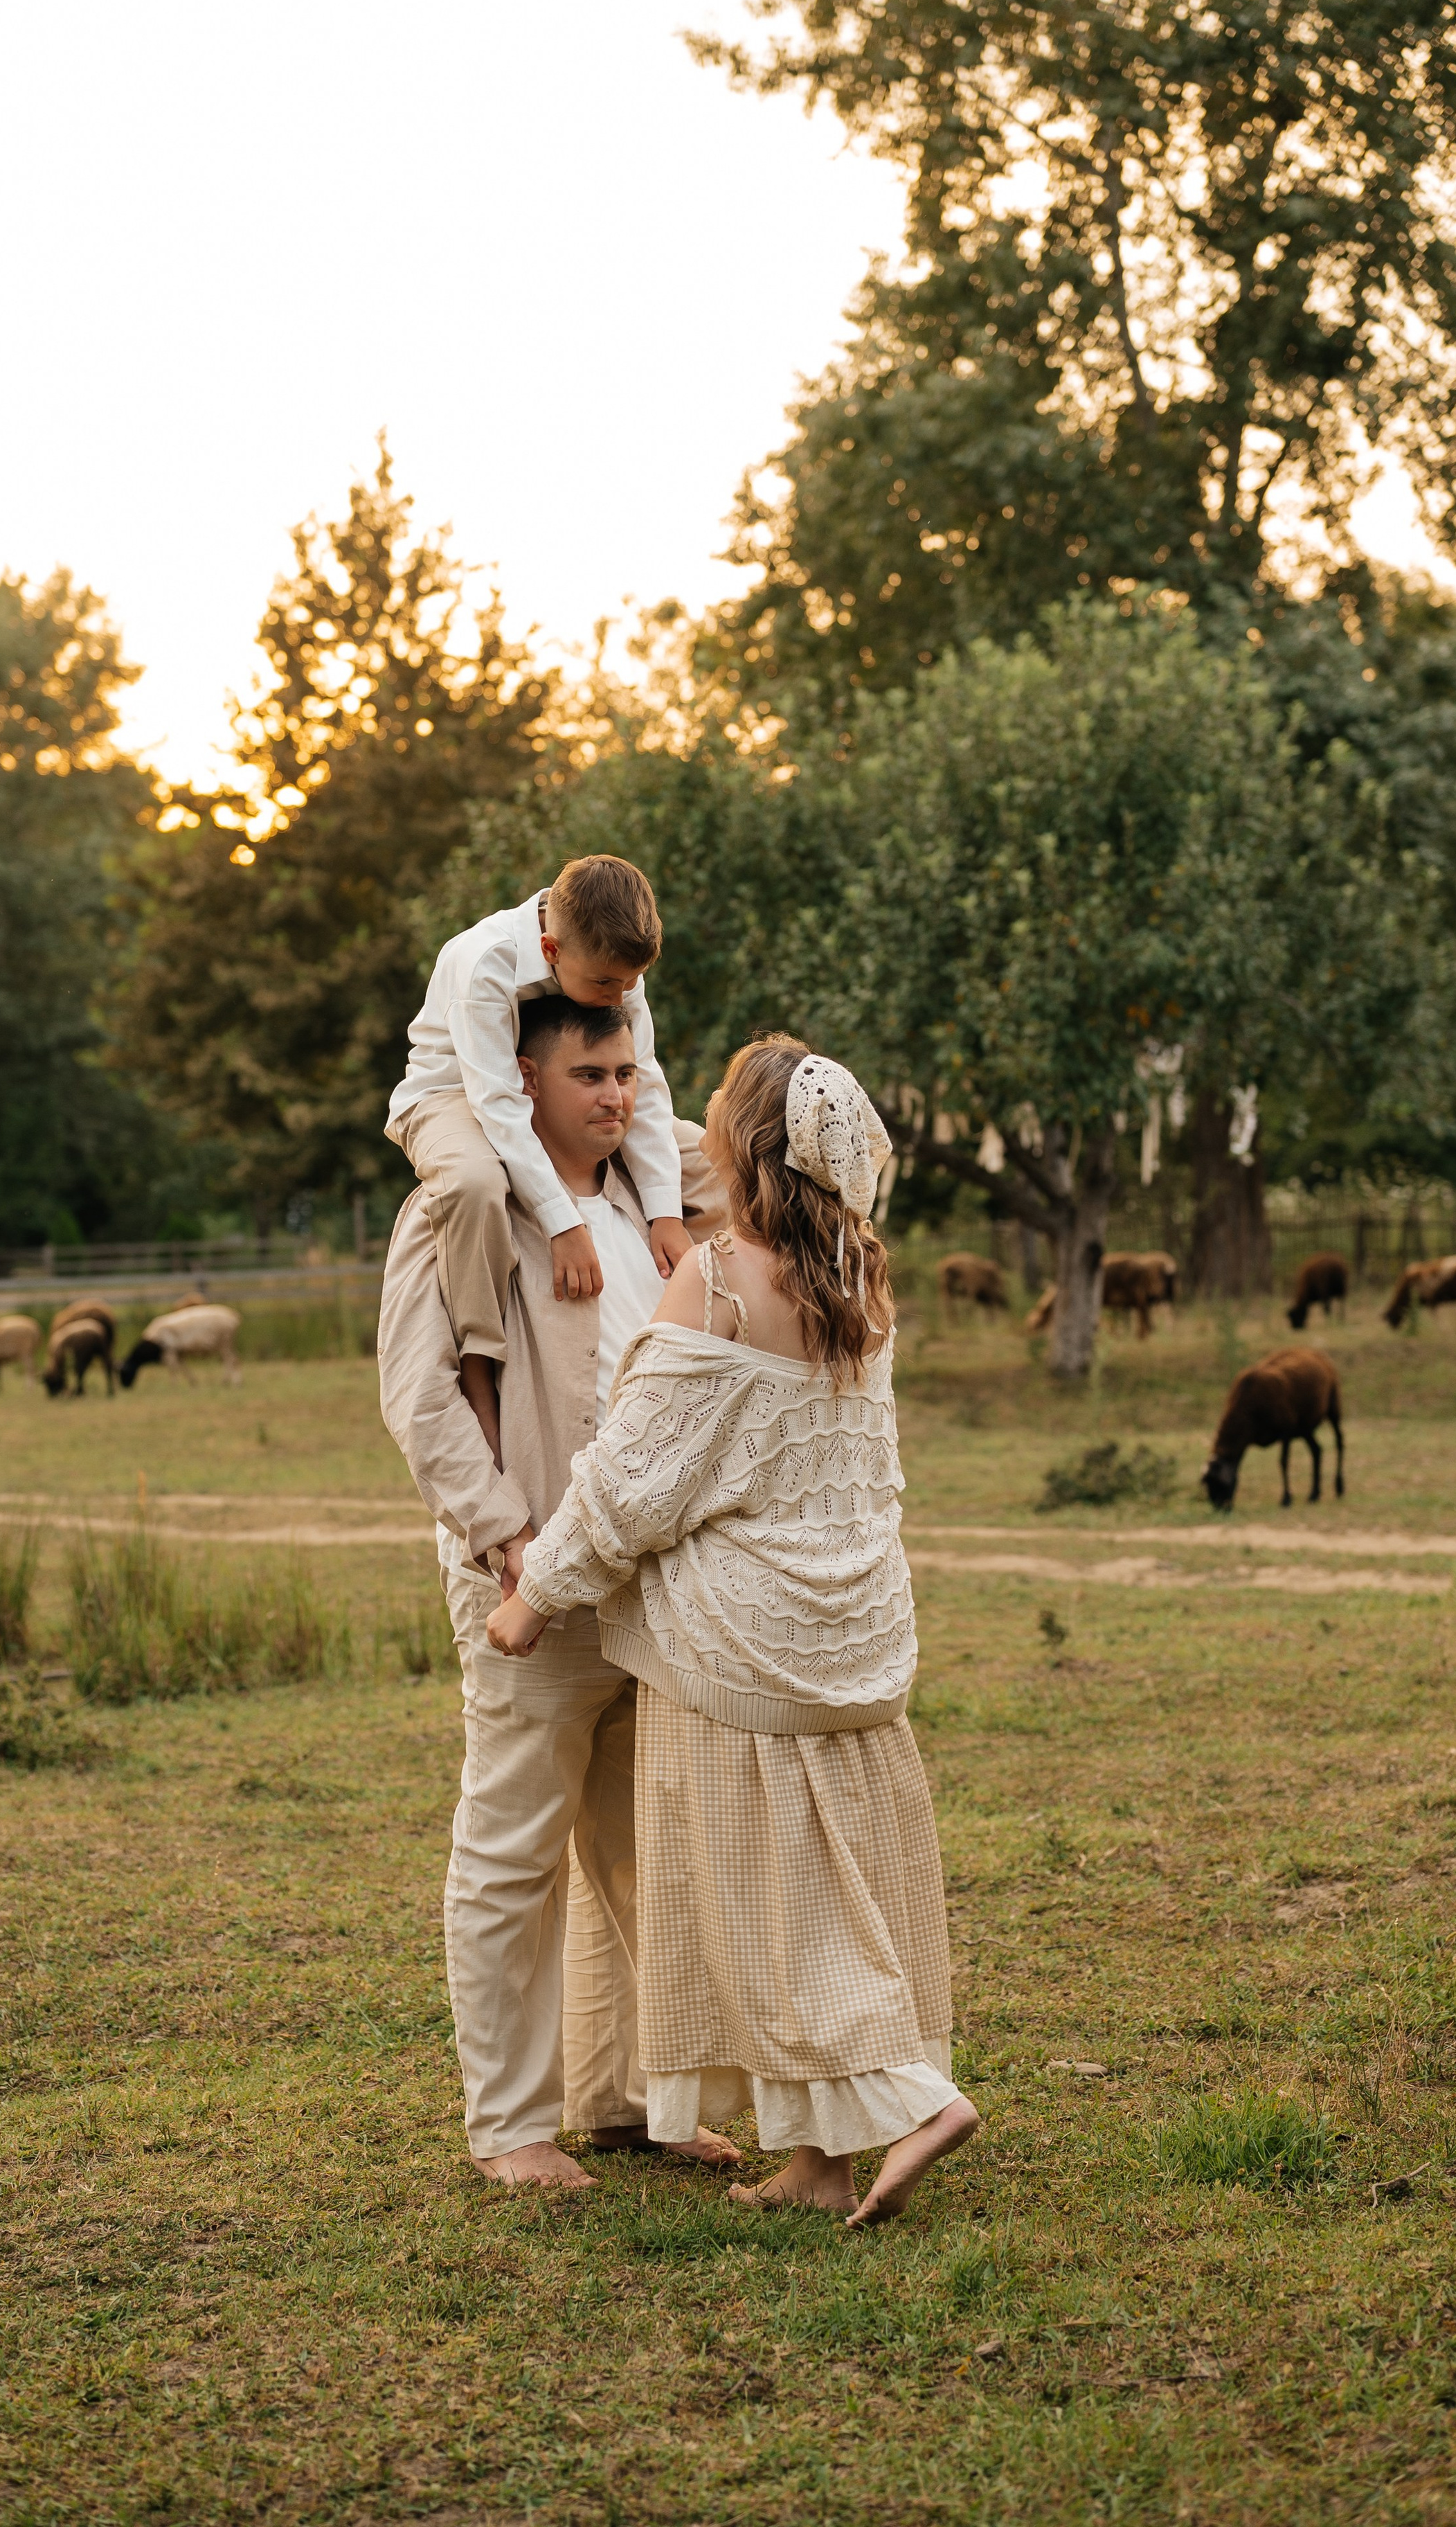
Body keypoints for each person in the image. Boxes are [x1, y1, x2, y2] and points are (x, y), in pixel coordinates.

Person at [485, 1035, 980, 2227]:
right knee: (846, 1884)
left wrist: (533, 1593)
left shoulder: (717, 1277)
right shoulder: (859, 1281)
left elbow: (635, 1482)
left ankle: (912, 2099)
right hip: (853, 1639)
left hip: (746, 1651)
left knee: (764, 1907)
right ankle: (817, 2165)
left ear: (744, 1144)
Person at [379, 989, 737, 2189]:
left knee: (646, 1846)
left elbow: (758, 1155)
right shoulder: (461, 1209)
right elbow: (420, 1397)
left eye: (628, 1069)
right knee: (515, 1844)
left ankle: (636, 2095)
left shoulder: (650, 1193)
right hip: (527, 1573)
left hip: (651, 1586)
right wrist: (503, 1535)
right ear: (519, 1078)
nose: (617, 1093)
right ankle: (511, 2124)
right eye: (590, 1073)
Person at [386, 854, 693, 1463]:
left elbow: (649, 1086)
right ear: (550, 950)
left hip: (558, 1076)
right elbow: (496, 1105)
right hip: (452, 1092)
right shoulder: (485, 962)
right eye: (608, 985)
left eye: (632, 982)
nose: (623, 996)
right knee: (474, 1182)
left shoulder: (612, 958)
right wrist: (566, 1223)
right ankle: (479, 1357)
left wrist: (665, 1213)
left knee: (708, 1154)